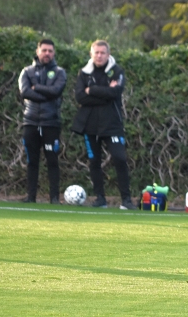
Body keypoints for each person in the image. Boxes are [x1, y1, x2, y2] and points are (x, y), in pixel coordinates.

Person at [71, 40, 134, 209]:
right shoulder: (84, 73)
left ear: (108, 54)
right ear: (92, 54)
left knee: (120, 159)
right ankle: (100, 199)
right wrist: (104, 90)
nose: (99, 56)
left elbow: (115, 93)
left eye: (102, 53)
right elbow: (79, 97)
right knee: (94, 162)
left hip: (112, 124)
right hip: (90, 125)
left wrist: (91, 90)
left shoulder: (117, 71)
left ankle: (126, 200)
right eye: (96, 53)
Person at [18, 39, 67, 204]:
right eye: (44, 50)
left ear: (54, 53)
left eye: (50, 51)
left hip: (51, 123)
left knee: (52, 161)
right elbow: (24, 92)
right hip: (30, 122)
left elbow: (56, 91)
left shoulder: (60, 72)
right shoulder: (26, 71)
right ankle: (31, 197)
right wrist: (46, 95)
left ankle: (54, 198)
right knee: (32, 161)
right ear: (38, 51)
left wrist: (37, 88)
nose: (47, 53)